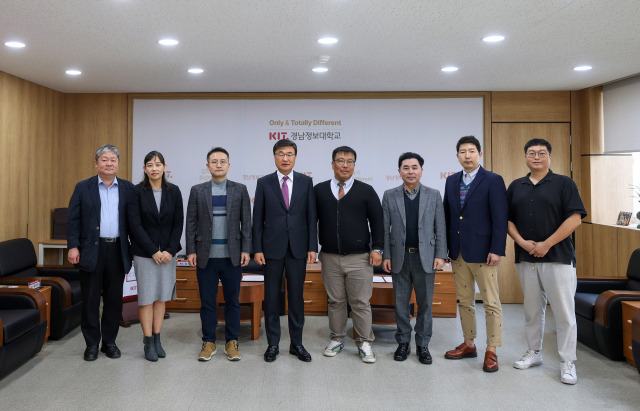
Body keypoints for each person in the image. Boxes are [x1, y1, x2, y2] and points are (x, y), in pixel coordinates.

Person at [507, 138, 586, 385]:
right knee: (532, 311)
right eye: (532, 153)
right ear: (525, 157)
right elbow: (508, 220)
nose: (537, 157)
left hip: (558, 258)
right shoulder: (516, 186)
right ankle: (535, 353)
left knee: (563, 313)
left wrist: (546, 244)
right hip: (525, 258)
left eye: (542, 153)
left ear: (550, 156)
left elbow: (575, 219)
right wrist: (522, 243)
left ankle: (567, 362)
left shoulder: (564, 183)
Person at [443, 135, 508, 372]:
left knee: (491, 303)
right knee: (465, 301)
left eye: (471, 151)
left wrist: (497, 249)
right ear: (458, 155)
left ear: (480, 154)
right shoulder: (451, 182)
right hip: (458, 252)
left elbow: (500, 218)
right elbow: (448, 217)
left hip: (484, 253)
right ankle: (469, 343)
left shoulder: (493, 180)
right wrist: (446, 249)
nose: (467, 155)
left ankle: (492, 350)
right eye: (462, 151)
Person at [314, 146, 383, 363]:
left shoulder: (366, 191)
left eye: (350, 161)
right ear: (332, 164)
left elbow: (378, 222)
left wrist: (378, 248)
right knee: (335, 302)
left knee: (361, 302)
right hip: (330, 257)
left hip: (360, 258)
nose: (345, 165)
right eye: (341, 160)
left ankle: (364, 342)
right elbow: (309, 222)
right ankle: (337, 339)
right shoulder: (319, 190)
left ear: (354, 165)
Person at [67, 144, 134, 361]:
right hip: (90, 251)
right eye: (104, 159)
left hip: (117, 249)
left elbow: (134, 222)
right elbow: (73, 220)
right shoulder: (82, 187)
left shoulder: (127, 188)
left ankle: (110, 342)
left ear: (118, 164)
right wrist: (73, 246)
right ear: (96, 163)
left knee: (114, 300)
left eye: (113, 159)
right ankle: (92, 344)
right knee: (91, 299)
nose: (109, 163)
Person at [253, 140, 317, 363]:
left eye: (290, 154)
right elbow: (257, 219)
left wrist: (312, 246)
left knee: (297, 298)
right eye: (281, 154)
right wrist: (257, 248)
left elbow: (311, 217)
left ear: (295, 157)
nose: (285, 158)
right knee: (271, 298)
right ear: (274, 157)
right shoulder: (264, 183)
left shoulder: (306, 182)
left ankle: (297, 343)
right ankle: (273, 344)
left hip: (298, 248)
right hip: (271, 248)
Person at [186, 147, 252, 362]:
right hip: (205, 256)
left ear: (229, 165)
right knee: (207, 302)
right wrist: (191, 251)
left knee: (232, 302)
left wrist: (246, 249)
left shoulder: (240, 189)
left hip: (232, 256)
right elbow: (191, 223)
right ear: (208, 166)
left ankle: (232, 342)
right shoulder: (197, 190)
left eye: (223, 161)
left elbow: (246, 223)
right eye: (214, 161)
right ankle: (209, 341)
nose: (218, 164)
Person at [382, 152, 447, 364]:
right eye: (406, 167)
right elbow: (385, 230)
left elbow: (441, 228)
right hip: (400, 257)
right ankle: (403, 343)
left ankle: (422, 345)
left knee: (425, 304)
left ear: (421, 170)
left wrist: (440, 255)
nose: (411, 171)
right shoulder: (390, 195)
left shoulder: (433, 194)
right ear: (399, 171)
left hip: (426, 258)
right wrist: (386, 255)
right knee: (401, 303)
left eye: (415, 167)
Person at [128, 151, 184, 362]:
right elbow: (135, 225)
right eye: (150, 165)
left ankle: (158, 338)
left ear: (164, 167)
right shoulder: (136, 192)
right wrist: (154, 251)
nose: (154, 168)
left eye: (158, 164)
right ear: (144, 169)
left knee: (161, 297)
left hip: (168, 255)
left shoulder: (174, 191)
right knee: (146, 299)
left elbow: (178, 222)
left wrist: (170, 250)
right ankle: (148, 340)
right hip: (145, 255)